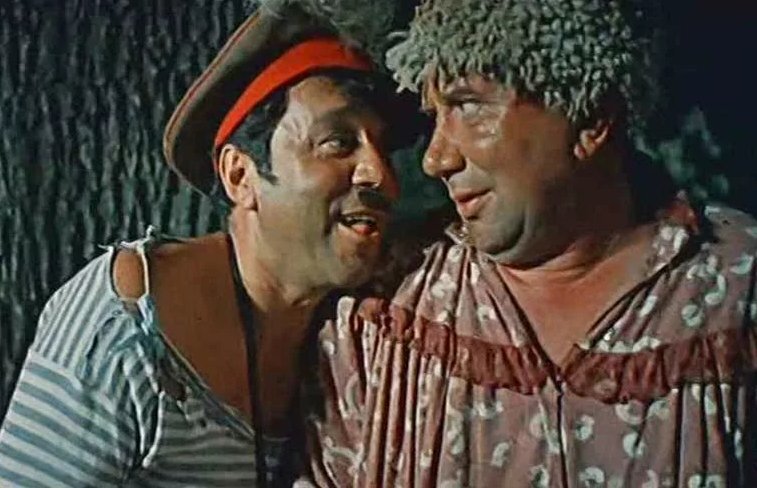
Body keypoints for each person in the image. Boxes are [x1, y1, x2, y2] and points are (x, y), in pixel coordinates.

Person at [307, 1, 757, 486]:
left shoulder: (736, 293)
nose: (436, 160)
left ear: (590, 119)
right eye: (435, 115)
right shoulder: (387, 306)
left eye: (468, 106)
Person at [0, 0, 416, 485]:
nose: (380, 176)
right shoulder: (123, 328)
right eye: (337, 143)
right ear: (240, 176)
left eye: (383, 149)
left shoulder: (358, 331)